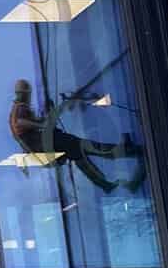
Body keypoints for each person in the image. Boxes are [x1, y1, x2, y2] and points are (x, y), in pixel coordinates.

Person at [8, 79, 144, 193]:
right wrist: (41, 125)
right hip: (51, 143)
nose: (28, 96)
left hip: (48, 148)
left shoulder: (18, 112)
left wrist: (43, 119)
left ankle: (105, 183)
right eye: (27, 92)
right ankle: (124, 151)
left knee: (80, 155)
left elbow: (28, 129)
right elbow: (21, 123)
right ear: (24, 93)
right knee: (87, 147)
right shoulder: (19, 109)